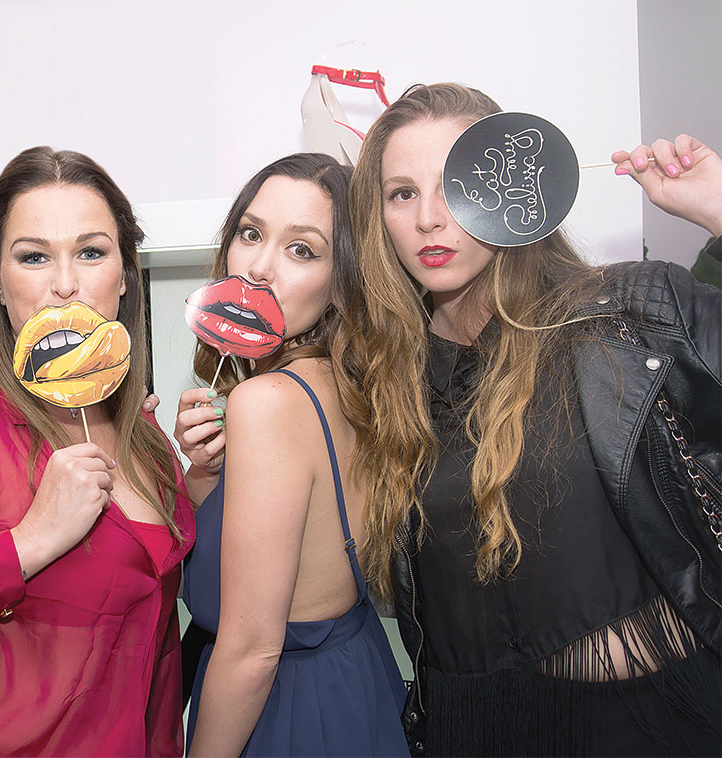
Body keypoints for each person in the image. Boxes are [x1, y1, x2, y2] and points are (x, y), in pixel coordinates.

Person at [346, 83, 722, 757]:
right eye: (402, 193)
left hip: (647, 727)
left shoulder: (629, 312)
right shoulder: (385, 380)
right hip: (470, 731)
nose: (429, 218)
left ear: (518, 191)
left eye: (456, 184)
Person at [0, 147, 195, 756]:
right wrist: (27, 544)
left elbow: (156, 661)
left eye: (91, 252)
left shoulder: (147, 440)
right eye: (34, 256)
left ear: (125, 276)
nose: (65, 284)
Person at [175, 152, 408, 757]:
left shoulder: (267, 401)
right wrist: (205, 473)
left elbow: (251, 652)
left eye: (301, 249)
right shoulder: (352, 385)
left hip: (287, 708)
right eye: (251, 234)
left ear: (344, 279)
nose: (258, 268)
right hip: (354, 681)